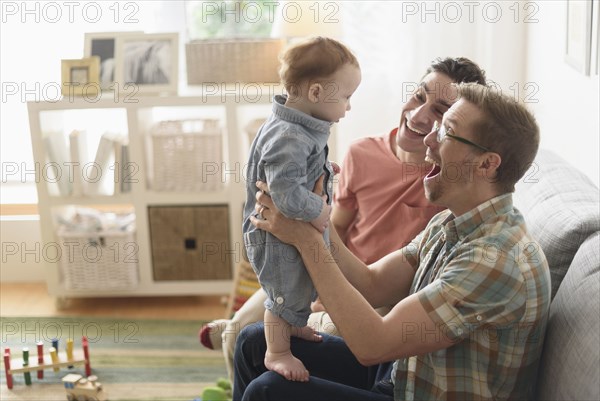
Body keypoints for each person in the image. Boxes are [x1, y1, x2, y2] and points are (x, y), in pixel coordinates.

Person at [234, 82, 551, 400]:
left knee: (268, 392)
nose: (428, 138)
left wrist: (305, 239)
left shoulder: (494, 259)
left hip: (414, 391)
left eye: (446, 132)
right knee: (253, 342)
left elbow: (373, 344)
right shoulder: (452, 222)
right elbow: (372, 284)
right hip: (403, 376)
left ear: (486, 164)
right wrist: (313, 214)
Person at [199, 57, 488, 382]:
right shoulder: (361, 153)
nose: (419, 115)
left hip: (382, 301)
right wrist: (315, 278)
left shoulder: (444, 184)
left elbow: (387, 287)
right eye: (419, 96)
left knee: (282, 338)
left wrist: (328, 298)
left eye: (439, 111)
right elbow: (334, 228)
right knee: (238, 334)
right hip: (328, 267)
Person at [242, 36, 361, 382]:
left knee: (301, 285)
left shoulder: (299, 128)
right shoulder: (290, 136)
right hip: (274, 238)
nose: (349, 107)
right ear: (316, 93)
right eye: (347, 97)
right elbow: (286, 193)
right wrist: (319, 209)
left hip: (285, 231)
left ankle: (292, 329)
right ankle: (276, 351)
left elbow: (296, 172)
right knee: (284, 290)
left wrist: (324, 172)